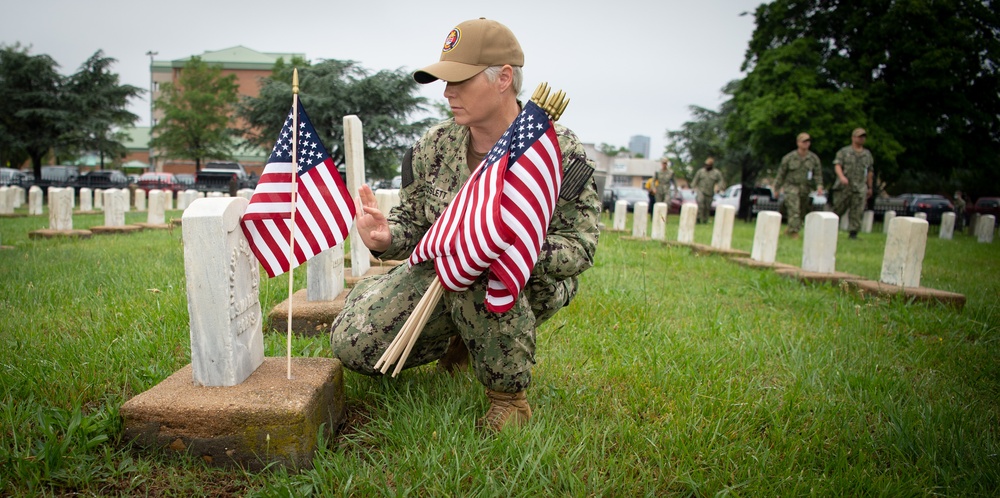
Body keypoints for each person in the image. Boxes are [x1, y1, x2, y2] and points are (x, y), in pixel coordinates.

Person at [330, 18, 601, 432]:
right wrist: (386, 237)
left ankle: (508, 399)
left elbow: (580, 246)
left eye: (460, 81)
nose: (447, 92)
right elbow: (414, 221)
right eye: (444, 81)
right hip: (440, 272)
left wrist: (510, 245)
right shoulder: (435, 145)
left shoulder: (554, 149)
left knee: (479, 252)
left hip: (526, 280)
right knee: (356, 348)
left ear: (503, 79)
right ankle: (457, 337)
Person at [773, 132, 824, 238]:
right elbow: (781, 174)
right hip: (791, 187)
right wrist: (776, 188)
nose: (806, 144)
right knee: (794, 209)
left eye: (808, 141)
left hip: (805, 188)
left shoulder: (813, 159)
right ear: (798, 143)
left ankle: (790, 228)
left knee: (801, 211)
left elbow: (818, 174)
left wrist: (819, 186)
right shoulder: (789, 158)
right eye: (803, 141)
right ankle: (794, 232)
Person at [832, 128, 874, 239]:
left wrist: (869, 187)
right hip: (845, 186)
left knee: (857, 210)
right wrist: (841, 177)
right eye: (859, 136)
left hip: (860, 187)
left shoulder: (867, 154)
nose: (861, 139)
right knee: (838, 208)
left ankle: (853, 233)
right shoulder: (844, 152)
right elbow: (837, 165)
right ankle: (830, 228)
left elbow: (870, 171)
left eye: (863, 137)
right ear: (853, 137)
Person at [690, 157, 725, 224]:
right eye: (706, 164)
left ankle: (705, 220)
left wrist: (719, 188)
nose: (707, 166)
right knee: (700, 203)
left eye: (708, 165)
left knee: (707, 207)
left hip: (710, 192)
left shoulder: (716, 173)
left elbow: (721, 181)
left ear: (711, 165)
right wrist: (693, 187)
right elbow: (695, 180)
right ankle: (698, 218)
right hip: (701, 191)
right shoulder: (700, 171)